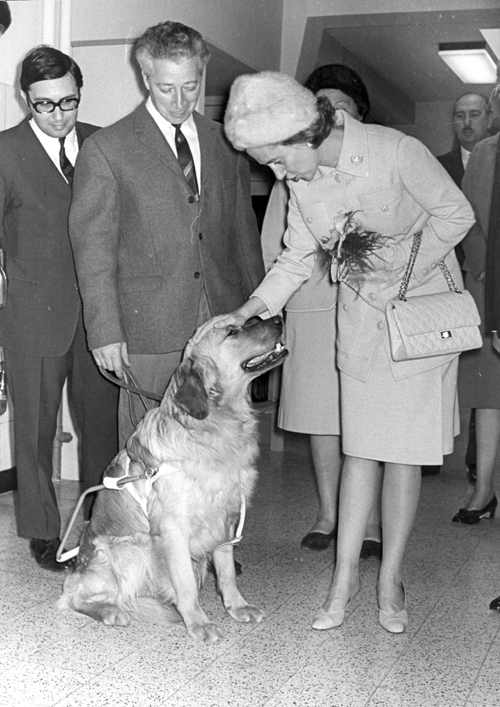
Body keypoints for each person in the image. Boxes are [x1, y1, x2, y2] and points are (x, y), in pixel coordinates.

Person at [194, 71, 475, 633]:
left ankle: (389, 580)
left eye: (275, 160)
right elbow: (298, 257)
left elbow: (457, 215)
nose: (275, 174)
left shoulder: (396, 152)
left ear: (303, 135)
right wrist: (250, 309)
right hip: (361, 324)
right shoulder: (303, 181)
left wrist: (400, 268)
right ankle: (344, 581)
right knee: (363, 450)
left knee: (403, 453)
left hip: (417, 322)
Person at [69, 20, 264, 447]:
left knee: (223, 440)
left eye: (191, 87)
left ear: (202, 73)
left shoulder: (227, 141)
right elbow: (93, 250)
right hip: (148, 326)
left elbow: (243, 232)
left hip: (222, 319)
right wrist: (104, 331)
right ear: (145, 78)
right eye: (166, 88)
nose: (179, 101)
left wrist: (257, 309)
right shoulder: (107, 149)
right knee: (152, 448)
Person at [0, 45, 119, 571]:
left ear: (79, 93)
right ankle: (44, 532)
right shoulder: (4, 152)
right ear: (25, 99)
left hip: (98, 315)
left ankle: (102, 524)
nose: (57, 115)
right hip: (32, 315)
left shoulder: (102, 144)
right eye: (43, 105)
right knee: (34, 429)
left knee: (103, 428)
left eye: (67, 102)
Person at [261, 64, 382, 557]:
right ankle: (329, 513)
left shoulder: (376, 163)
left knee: (368, 419)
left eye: (342, 108)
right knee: (321, 418)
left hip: (368, 307)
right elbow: (275, 246)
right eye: (322, 107)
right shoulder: (290, 170)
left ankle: (369, 522)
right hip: (312, 304)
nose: (331, 116)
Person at [454, 83, 500, 525]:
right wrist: (485, 268)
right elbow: (466, 214)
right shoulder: (486, 152)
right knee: (489, 393)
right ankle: (484, 489)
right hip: (489, 286)